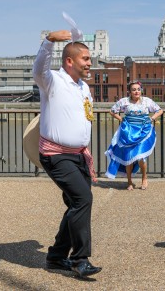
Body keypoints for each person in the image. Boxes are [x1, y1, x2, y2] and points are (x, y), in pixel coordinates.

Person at [33, 30, 102, 277]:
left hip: (78, 155)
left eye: (89, 59)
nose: (89, 63)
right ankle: (80, 259)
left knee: (76, 203)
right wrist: (49, 41)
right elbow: (39, 68)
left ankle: (56, 256)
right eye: (85, 59)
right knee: (83, 199)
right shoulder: (51, 81)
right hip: (56, 154)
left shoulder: (83, 87)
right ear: (69, 61)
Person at [105, 81, 163, 190]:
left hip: (143, 131)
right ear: (130, 91)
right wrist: (121, 119)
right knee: (129, 157)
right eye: (134, 89)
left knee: (141, 157)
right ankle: (129, 181)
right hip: (128, 133)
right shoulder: (124, 101)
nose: (136, 91)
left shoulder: (147, 101)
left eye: (138, 89)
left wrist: (151, 118)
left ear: (141, 90)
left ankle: (144, 178)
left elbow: (159, 110)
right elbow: (112, 111)